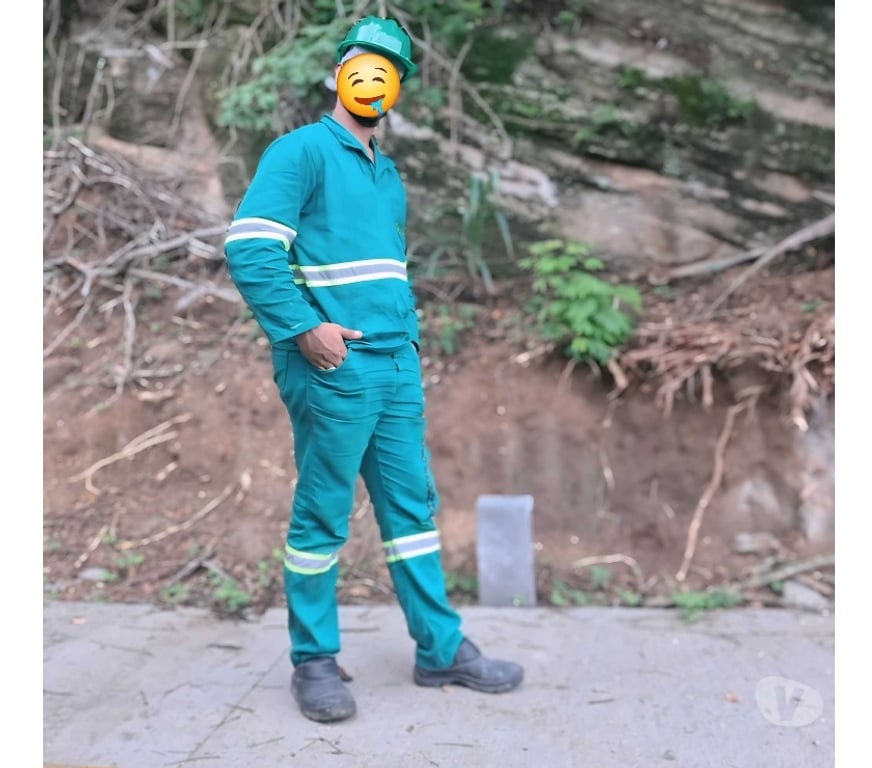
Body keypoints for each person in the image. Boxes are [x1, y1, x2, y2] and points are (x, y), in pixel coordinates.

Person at [223, 16, 523, 723]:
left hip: (395, 364)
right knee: (324, 510)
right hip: (334, 365)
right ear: (338, 74)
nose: (373, 76)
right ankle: (314, 661)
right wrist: (304, 330)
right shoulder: (300, 153)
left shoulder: (386, 174)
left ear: (397, 89)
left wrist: (406, 345)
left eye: (389, 67)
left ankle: (440, 648)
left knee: (412, 512)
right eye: (362, 62)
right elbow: (250, 250)